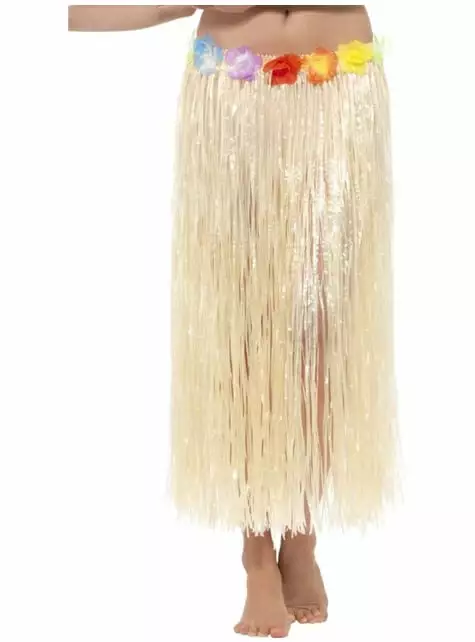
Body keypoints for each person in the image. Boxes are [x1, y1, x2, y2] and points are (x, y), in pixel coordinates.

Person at [69, 6, 399, 638]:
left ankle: (300, 532)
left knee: (323, 328)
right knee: (243, 323)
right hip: (233, 97)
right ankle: (256, 554)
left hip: (340, 92)